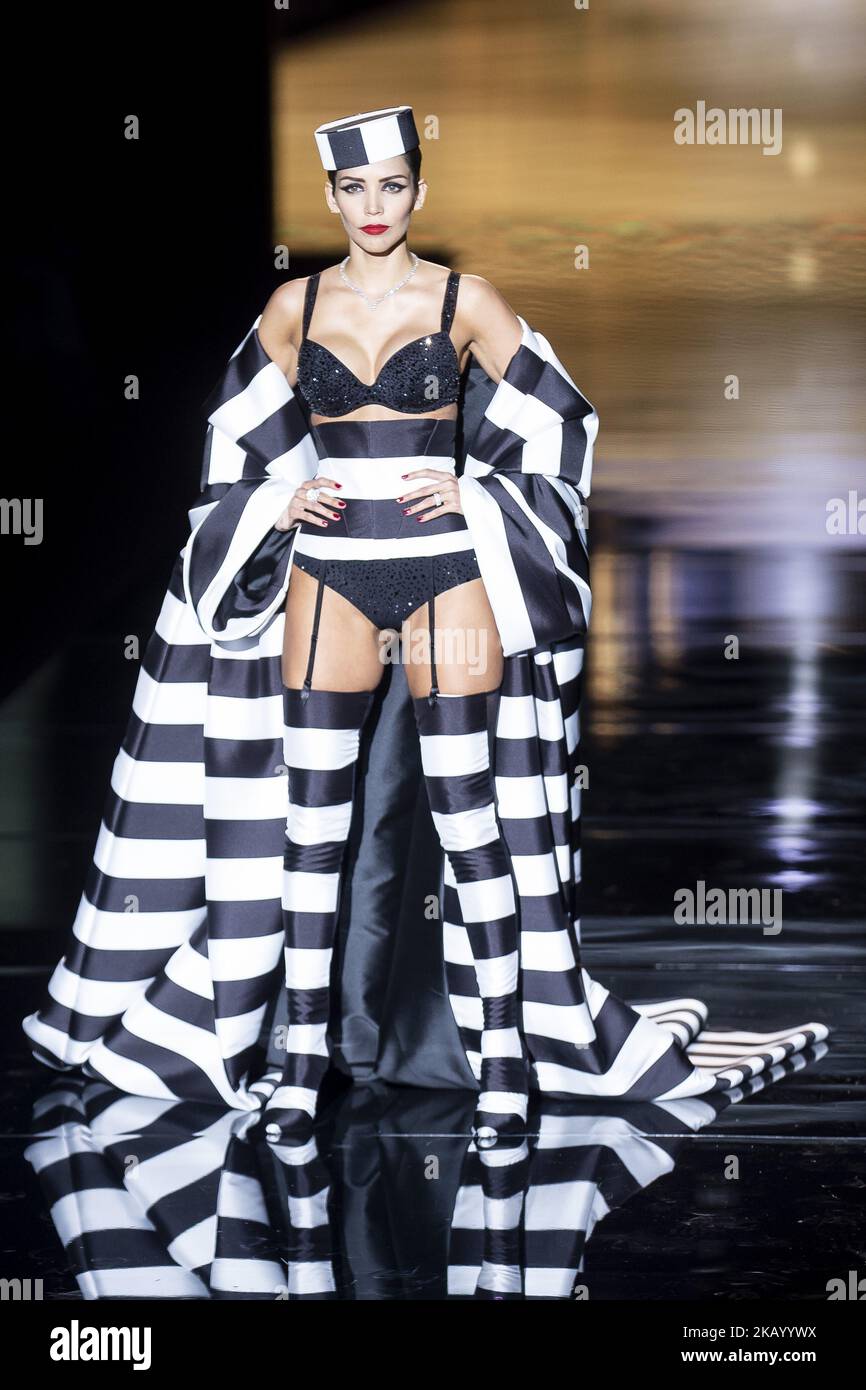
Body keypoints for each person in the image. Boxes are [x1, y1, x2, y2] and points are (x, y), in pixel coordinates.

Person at [21, 106, 828, 1147]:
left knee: (471, 818)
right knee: (310, 832)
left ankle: (500, 1066)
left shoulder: (464, 300)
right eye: (353, 191)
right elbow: (231, 447)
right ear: (330, 198)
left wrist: (480, 497)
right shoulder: (289, 309)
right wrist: (277, 502)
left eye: (391, 188)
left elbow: (560, 423)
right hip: (331, 575)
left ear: (416, 193)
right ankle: (302, 1061)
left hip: (447, 570)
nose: (371, 207)